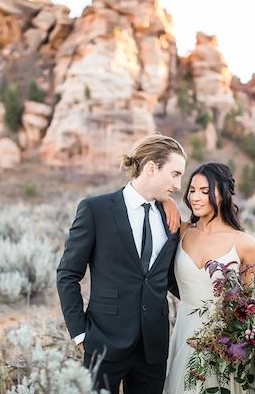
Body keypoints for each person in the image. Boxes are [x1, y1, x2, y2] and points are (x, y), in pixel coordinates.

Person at [56, 133, 187, 394]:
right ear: (151, 168)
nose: (178, 184)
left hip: (154, 347)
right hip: (103, 342)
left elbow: (167, 277)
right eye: (174, 174)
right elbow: (67, 274)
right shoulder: (96, 210)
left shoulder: (171, 216)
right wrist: (80, 333)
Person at [164, 162, 255, 394]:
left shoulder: (245, 243)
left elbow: (246, 304)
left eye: (205, 191)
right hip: (184, 334)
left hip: (224, 341)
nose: (195, 197)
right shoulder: (182, 230)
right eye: (192, 190)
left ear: (224, 194)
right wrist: (167, 201)